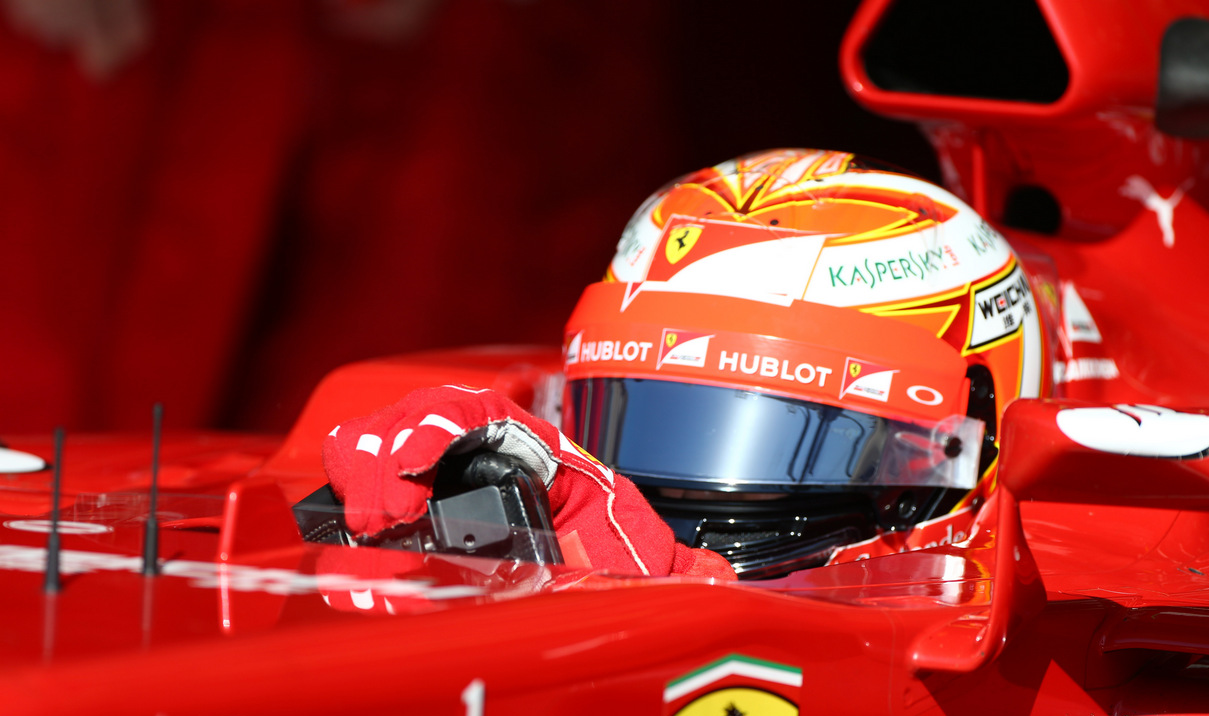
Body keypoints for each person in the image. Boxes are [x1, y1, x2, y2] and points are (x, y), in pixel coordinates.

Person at [323, 149, 1056, 579]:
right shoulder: (588, 511)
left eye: (785, 432)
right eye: (641, 413)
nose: (652, 496)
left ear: (972, 438)